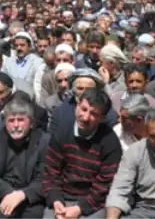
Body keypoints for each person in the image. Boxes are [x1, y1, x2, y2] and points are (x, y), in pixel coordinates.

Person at [40, 88, 121, 219]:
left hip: (93, 203)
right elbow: (51, 172)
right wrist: (56, 200)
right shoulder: (62, 132)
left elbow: (104, 185)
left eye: (93, 114)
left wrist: (80, 208)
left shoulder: (110, 142)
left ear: (102, 118)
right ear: (76, 105)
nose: (86, 117)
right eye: (83, 109)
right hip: (63, 196)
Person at [0, 95, 48, 219]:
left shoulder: (43, 141)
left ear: (31, 123)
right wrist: (8, 192)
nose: (16, 125)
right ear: (5, 123)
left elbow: (45, 179)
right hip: (1, 192)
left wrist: (21, 195)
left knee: (34, 213)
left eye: (20, 120)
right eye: (11, 120)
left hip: (26, 196)